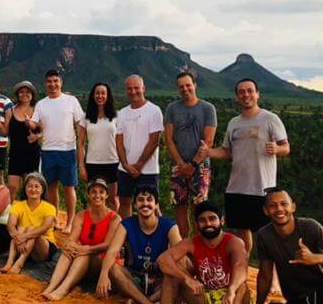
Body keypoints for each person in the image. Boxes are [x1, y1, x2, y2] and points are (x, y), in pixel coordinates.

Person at [146, 202, 252, 304]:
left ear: (221, 221)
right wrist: (186, 278)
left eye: (212, 219)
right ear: (197, 224)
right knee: (172, 273)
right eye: (202, 220)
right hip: (206, 301)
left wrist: (232, 290)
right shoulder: (191, 242)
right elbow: (163, 260)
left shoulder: (234, 242)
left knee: (242, 286)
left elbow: (241, 266)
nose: (208, 223)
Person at [199, 78, 289, 254]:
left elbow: (286, 147)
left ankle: (273, 274)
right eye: (241, 92)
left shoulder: (270, 119)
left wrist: (277, 148)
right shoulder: (234, 122)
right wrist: (208, 152)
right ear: (237, 97)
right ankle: (242, 268)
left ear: (257, 94)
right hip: (237, 187)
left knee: (267, 233)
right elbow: (226, 151)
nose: (246, 95)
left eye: (250, 91)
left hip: (261, 188)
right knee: (241, 232)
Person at [96, 186, 182, 304]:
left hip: (160, 279)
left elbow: (180, 255)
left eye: (149, 200)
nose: (145, 203)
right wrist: (103, 275)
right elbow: (112, 251)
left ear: (156, 205)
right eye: (140, 200)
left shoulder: (169, 225)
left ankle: (142, 302)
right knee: (113, 268)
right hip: (134, 278)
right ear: (135, 205)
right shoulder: (127, 224)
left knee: (181, 272)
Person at [42, 178, 122, 301]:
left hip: (103, 263)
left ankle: (62, 289)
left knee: (83, 253)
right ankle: (51, 287)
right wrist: (69, 245)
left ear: (107, 195)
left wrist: (87, 249)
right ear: (88, 195)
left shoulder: (115, 218)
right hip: (82, 259)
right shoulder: (81, 215)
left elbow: (108, 245)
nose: (97, 195)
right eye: (94, 192)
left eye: (101, 192)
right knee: (69, 251)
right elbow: (72, 238)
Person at [28, 70, 84, 234]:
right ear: (45, 84)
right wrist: (29, 124)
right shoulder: (41, 104)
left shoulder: (71, 100)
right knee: (51, 187)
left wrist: (81, 143)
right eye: (49, 82)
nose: (52, 84)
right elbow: (34, 123)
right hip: (47, 151)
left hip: (67, 150)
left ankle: (70, 222)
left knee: (69, 187)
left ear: (61, 82)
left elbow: (81, 122)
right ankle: (55, 219)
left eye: (55, 81)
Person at [164, 72, 216, 236]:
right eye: (181, 86)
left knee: (199, 210)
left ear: (195, 85)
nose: (185, 89)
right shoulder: (172, 108)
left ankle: (198, 249)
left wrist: (193, 164)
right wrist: (180, 163)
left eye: (188, 85)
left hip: (200, 166)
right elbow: (169, 140)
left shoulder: (208, 108)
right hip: (178, 165)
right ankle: (182, 248)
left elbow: (208, 142)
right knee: (179, 208)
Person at [115, 75, 163, 216]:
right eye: (129, 88)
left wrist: (139, 165)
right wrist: (125, 164)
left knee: (151, 205)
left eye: (136, 88)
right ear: (126, 90)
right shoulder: (122, 113)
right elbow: (119, 140)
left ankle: (158, 235)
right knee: (124, 202)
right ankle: (126, 235)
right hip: (125, 169)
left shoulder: (154, 111)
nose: (133, 91)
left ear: (143, 88)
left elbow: (154, 140)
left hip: (148, 169)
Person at [1, 172, 58, 274]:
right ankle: (9, 262)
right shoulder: (17, 205)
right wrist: (18, 237)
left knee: (30, 229)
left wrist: (25, 236)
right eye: (30, 186)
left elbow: (44, 228)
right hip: (22, 245)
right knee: (19, 230)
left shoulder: (50, 208)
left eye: (37, 186)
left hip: (42, 248)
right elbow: (10, 224)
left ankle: (19, 263)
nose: (33, 189)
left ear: (42, 189)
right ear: (25, 189)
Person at [77, 83, 120, 211]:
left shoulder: (117, 116)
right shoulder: (85, 117)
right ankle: (95, 228)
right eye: (97, 93)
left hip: (112, 162)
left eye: (103, 93)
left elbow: (121, 141)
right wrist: (81, 166)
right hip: (93, 163)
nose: (100, 96)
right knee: (93, 200)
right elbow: (80, 143)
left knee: (113, 199)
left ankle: (113, 227)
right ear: (93, 95)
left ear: (108, 96)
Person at [6, 81, 42, 200]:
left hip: (31, 154)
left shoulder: (37, 110)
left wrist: (36, 136)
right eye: (21, 92)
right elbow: (5, 131)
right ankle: (11, 213)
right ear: (17, 94)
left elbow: (44, 130)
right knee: (12, 186)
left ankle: (28, 215)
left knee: (30, 187)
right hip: (15, 153)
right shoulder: (11, 110)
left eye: (27, 92)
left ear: (32, 94)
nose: (24, 94)